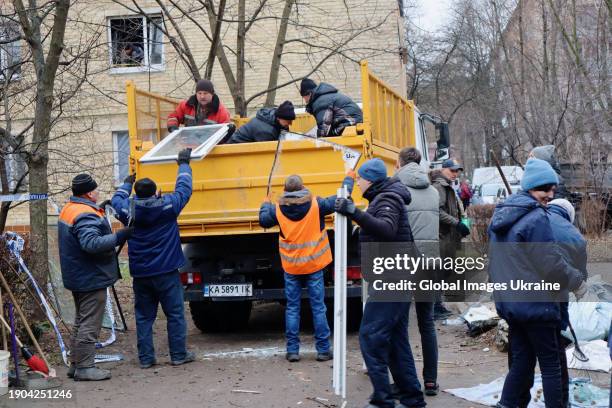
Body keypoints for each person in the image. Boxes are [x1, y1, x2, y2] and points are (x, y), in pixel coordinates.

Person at [488, 158, 586, 408]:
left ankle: (507, 404)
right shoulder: (535, 218)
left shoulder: (501, 215)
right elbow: (551, 264)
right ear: (530, 188)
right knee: (551, 366)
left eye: (552, 190)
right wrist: (576, 281)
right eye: (545, 189)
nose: (550, 195)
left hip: (512, 304)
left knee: (521, 362)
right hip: (536, 306)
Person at [335, 158, 426, 408]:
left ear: (371, 181)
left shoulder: (387, 199)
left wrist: (354, 213)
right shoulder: (385, 197)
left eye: (360, 180)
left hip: (392, 279)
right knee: (396, 342)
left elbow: (385, 229)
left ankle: (383, 400)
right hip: (394, 277)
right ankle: (411, 397)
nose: (358, 184)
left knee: (370, 336)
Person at [111, 148, 195, 369]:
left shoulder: (127, 211)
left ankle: (147, 359)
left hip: (141, 273)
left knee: (144, 317)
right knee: (175, 314)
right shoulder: (168, 206)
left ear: (136, 195)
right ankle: (178, 355)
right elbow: (184, 189)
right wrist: (183, 163)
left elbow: (116, 198)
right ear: (156, 192)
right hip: (167, 272)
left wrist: (128, 181)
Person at [259, 172, 354, 362]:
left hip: (291, 266)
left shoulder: (277, 209)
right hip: (314, 264)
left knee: (292, 308)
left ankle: (293, 351)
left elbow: (263, 220)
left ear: (285, 191)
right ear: (303, 189)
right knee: (318, 307)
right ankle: (323, 350)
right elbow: (342, 197)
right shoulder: (316, 205)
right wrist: (349, 178)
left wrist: (265, 204)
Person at [59, 174, 132, 381]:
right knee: (90, 323)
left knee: (81, 321)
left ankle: (75, 364)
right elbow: (91, 244)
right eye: (96, 190)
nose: (98, 192)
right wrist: (120, 236)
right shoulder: (85, 214)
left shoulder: (71, 208)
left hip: (78, 275)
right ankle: (85, 367)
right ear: (89, 193)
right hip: (90, 277)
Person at [395, 147, 440, 396]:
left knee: (399, 324)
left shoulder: (395, 189)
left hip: (404, 263)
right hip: (430, 263)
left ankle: (405, 380)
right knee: (427, 323)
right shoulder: (433, 192)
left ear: (399, 163)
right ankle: (431, 381)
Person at [429, 159, 470, 319]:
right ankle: (434, 307)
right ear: (443, 169)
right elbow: (437, 211)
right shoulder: (439, 186)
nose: (455, 174)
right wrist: (457, 223)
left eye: (457, 171)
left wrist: (460, 226)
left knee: (444, 271)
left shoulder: (447, 185)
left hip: (448, 236)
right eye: (452, 171)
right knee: (439, 272)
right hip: (442, 236)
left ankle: (437, 305)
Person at [227, 101, 295, 144]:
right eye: (288, 121)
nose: (290, 124)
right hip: (233, 150)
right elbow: (268, 153)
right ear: (279, 118)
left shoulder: (274, 120)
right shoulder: (266, 131)